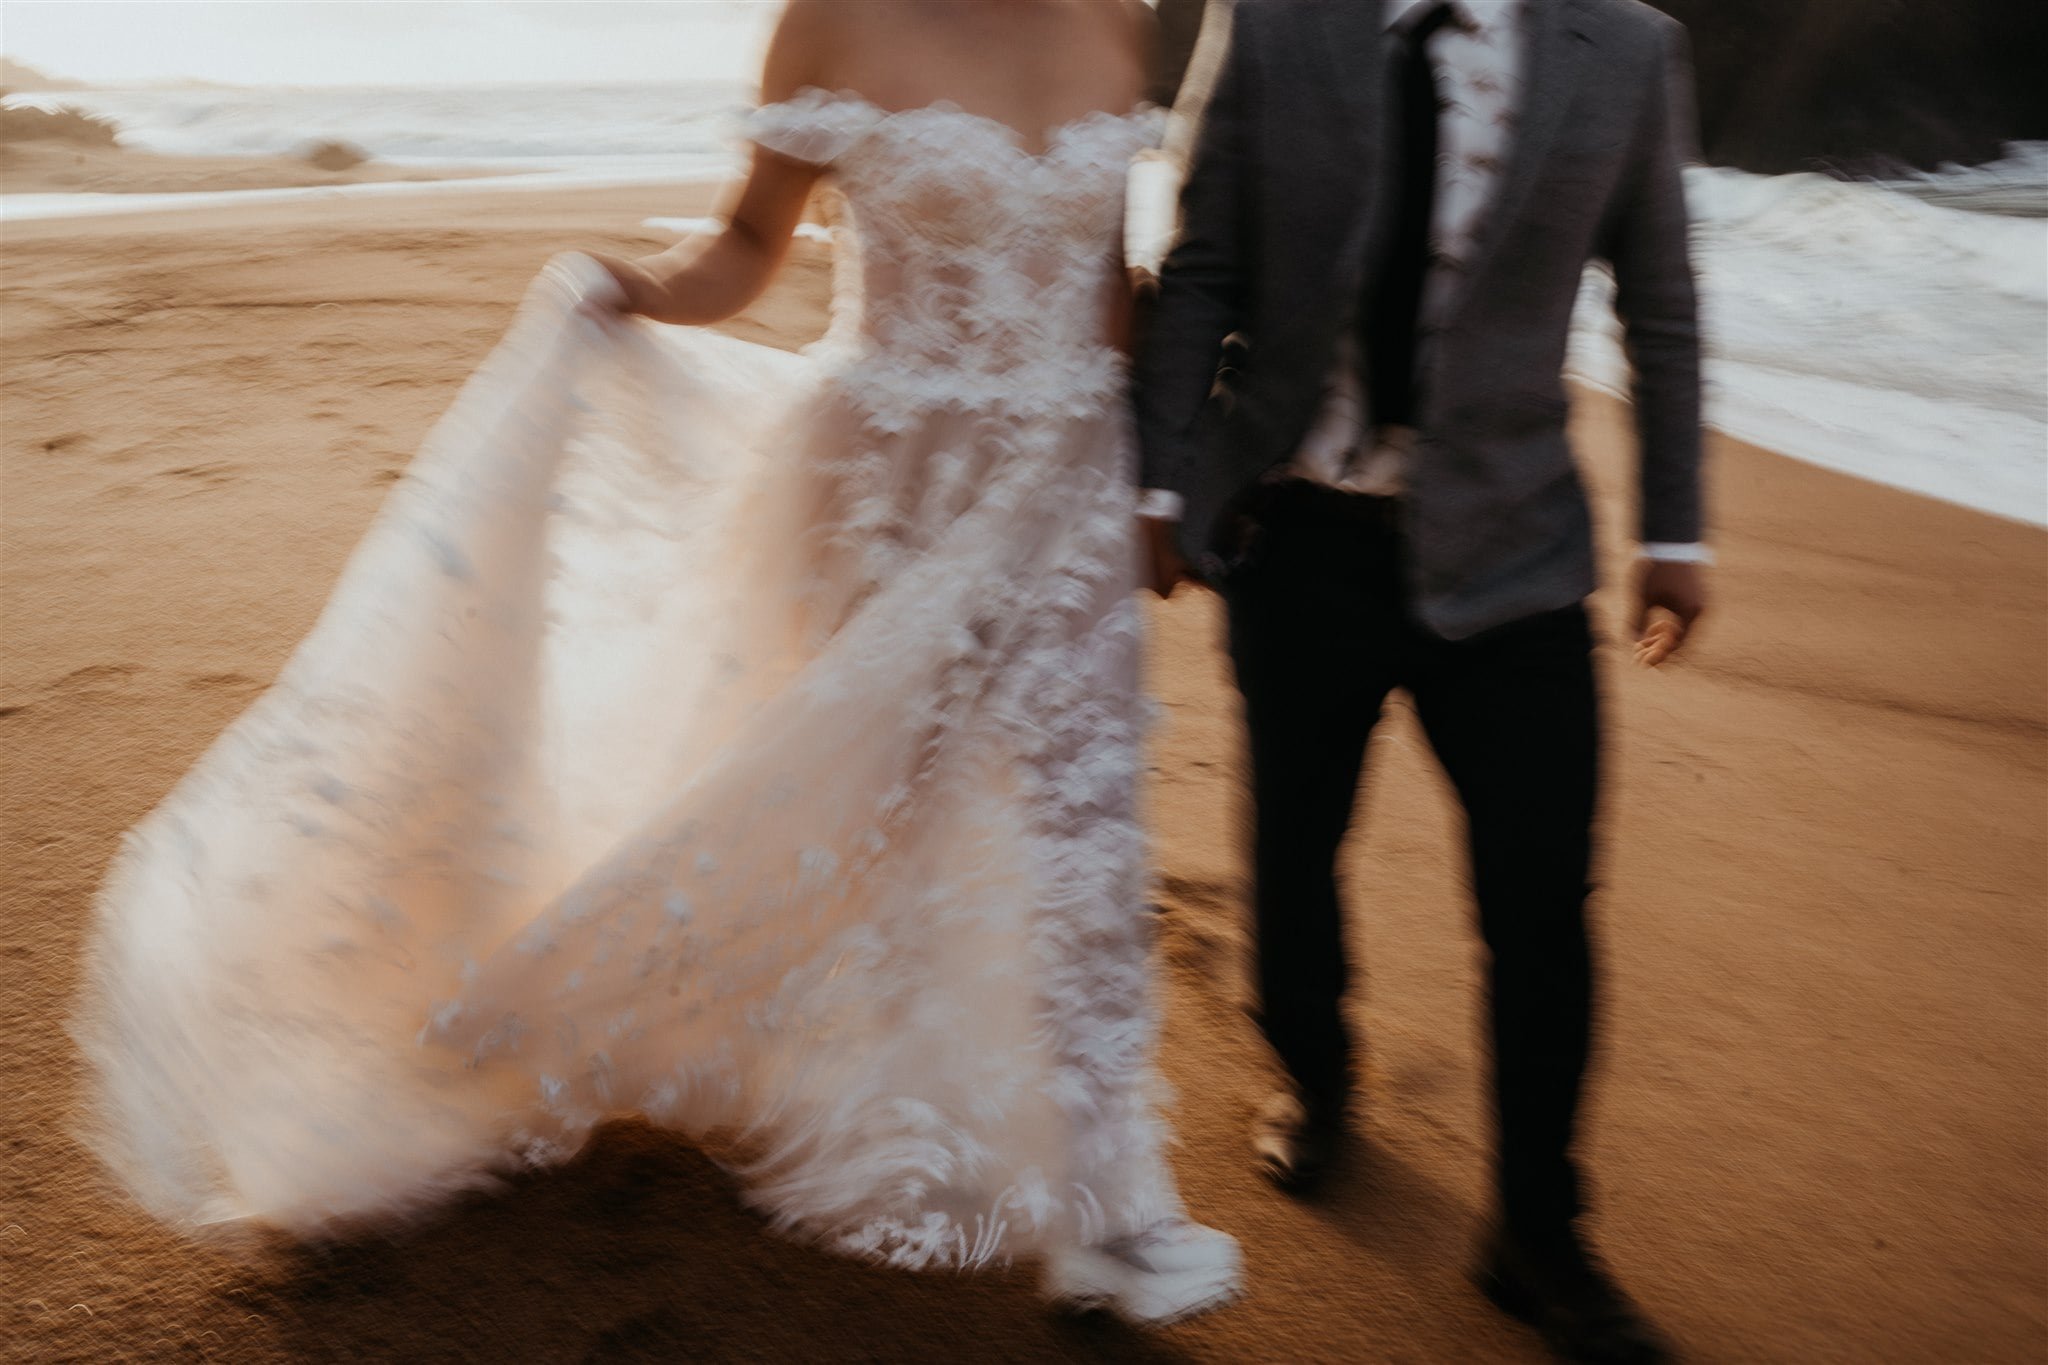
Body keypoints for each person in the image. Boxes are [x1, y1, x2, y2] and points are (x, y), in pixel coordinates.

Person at [77, 0, 1240, 1327]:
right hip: (884, 488)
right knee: (867, 812)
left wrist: (1167, 478)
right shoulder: (832, 22)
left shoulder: (1121, 20)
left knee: (1087, 829)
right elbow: (751, 243)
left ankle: (1116, 1211)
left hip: (1069, 484)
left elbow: (1109, 277)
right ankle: (673, 1043)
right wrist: (628, 291)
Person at [1133, 0, 1708, 1360]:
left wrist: (1676, 532)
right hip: (1300, 532)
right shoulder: (1275, 23)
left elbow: (1664, 300)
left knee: (1543, 900)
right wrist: (1160, 480)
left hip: (1516, 562)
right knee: (1293, 851)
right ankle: (1316, 1077)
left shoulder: (1623, 49)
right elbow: (1204, 263)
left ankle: (1537, 1231)